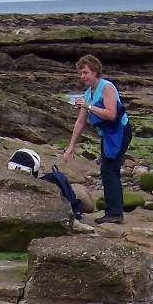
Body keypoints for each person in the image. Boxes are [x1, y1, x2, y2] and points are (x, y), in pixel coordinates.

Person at [63, 54, 132, 225]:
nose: (83, 76)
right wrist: (71, 146)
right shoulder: (88, 94)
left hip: (120, 131)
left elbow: (111, 114)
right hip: (106, 135)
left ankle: (115, 213)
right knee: (107, 170)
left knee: (110, 170)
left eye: (86, 72)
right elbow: (80, 122)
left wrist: (89, 106)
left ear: (95, 71)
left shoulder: (106, 87)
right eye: (80, 73)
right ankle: (113, 211)